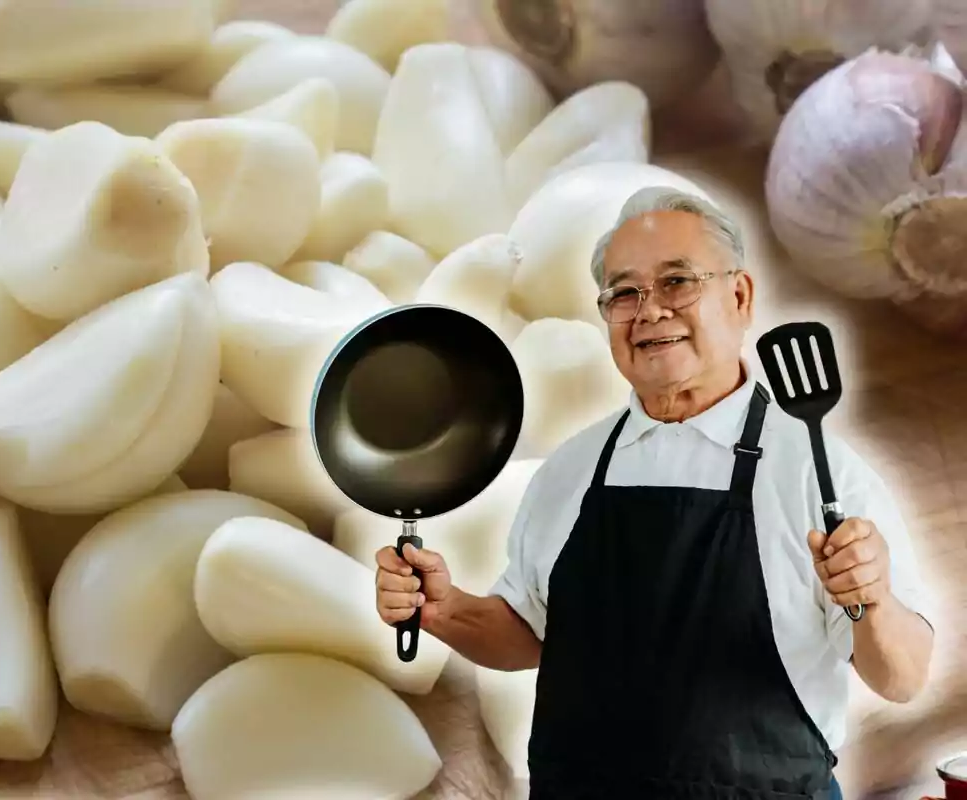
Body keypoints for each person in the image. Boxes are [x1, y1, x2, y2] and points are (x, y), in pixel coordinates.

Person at [373, 186, 936, 800]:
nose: (649, 311)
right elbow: (530, 636)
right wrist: (444, 608)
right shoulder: (571, 470)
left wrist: (872, 600)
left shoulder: (818, 472)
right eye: (624, 293)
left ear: (740, 296)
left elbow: (902, 679)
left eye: (677, 283)